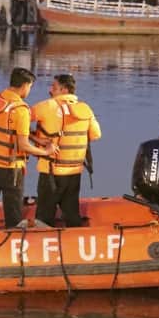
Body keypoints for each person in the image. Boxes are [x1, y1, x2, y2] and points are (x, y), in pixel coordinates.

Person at [0, 68, 58, 230]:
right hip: (10, 170)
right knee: (13, 216)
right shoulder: (21, 110)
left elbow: (6, 129)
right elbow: (23, 145)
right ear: (25, 85)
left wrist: (35, 137)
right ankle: (14, 249)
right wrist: (45, 152)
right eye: (30, 87)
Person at [31, 74, 101, 228]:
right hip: (74, 171)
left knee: (44, 215)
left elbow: (21, 120)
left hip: (51, 171)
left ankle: (43, 245)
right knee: (71, 213)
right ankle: (74, 242)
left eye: (54, 87)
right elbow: (96, 135)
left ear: (63, 89)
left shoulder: (47, 106)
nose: (50, 90)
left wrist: (32, 137)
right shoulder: (86, 109)